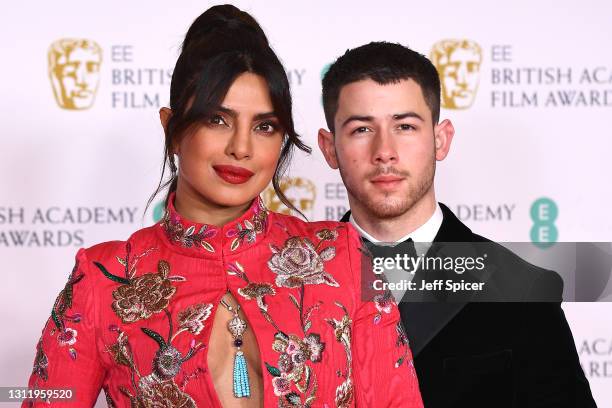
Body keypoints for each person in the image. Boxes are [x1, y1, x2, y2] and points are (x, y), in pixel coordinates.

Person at [24, 7, 423, 408]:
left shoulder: (344, 257)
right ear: (172, 130)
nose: (241, 147)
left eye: (264, 126)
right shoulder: (103, 281)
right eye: (217, 120)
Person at [318, 41, 596, 407]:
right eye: (361, 130)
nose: (385, 151)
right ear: (329, 148)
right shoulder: (290, 282)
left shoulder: (524, 292)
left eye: (404, 126)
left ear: (440, 139)